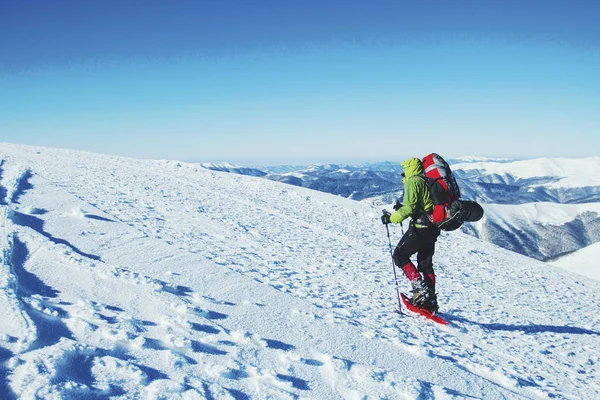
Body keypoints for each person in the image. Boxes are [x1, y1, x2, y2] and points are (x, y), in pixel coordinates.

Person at [381, 157, 440, 313]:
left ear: (409, 168)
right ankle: (430, 299)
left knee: (399, 255)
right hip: (434, 226)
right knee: (425, 263)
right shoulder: (426, 179)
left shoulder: (413, 181)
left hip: (420, 227)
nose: (403, 173)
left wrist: (391, 218)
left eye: (404, 169)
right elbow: (422, 204)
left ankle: (421, 290)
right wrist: (405, 207)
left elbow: (410, 208)